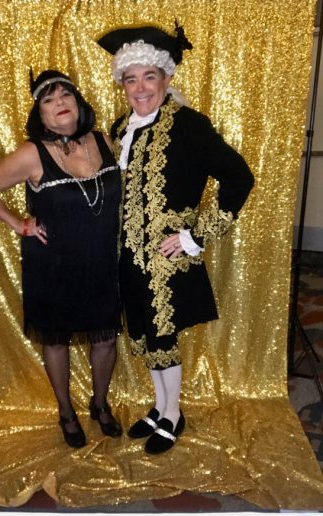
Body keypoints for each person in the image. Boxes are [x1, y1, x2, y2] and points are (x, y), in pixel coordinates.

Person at [97, 24, 254, 454]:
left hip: (167, 257)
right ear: (122, 85)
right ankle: (159, 405)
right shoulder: (120, 127)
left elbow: (239, 178)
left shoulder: (189, 125)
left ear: (166, 78)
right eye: (131, 79)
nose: (140, 88)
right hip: (127, 255)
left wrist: (195, 236)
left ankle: (172, 413)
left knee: (163, 336)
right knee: (145, 335)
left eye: (149, 77)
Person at [0, 69, 122, 449]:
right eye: (49, 100)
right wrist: (18, 224)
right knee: (56, 341)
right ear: (40, 114)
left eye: (65, 96)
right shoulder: (31, 153)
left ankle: (100, 404)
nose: (60, 104)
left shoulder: (103, 141)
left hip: (103, 259)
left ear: (78, 102)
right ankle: (66, 412)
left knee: (105, 338)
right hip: (53, 265)